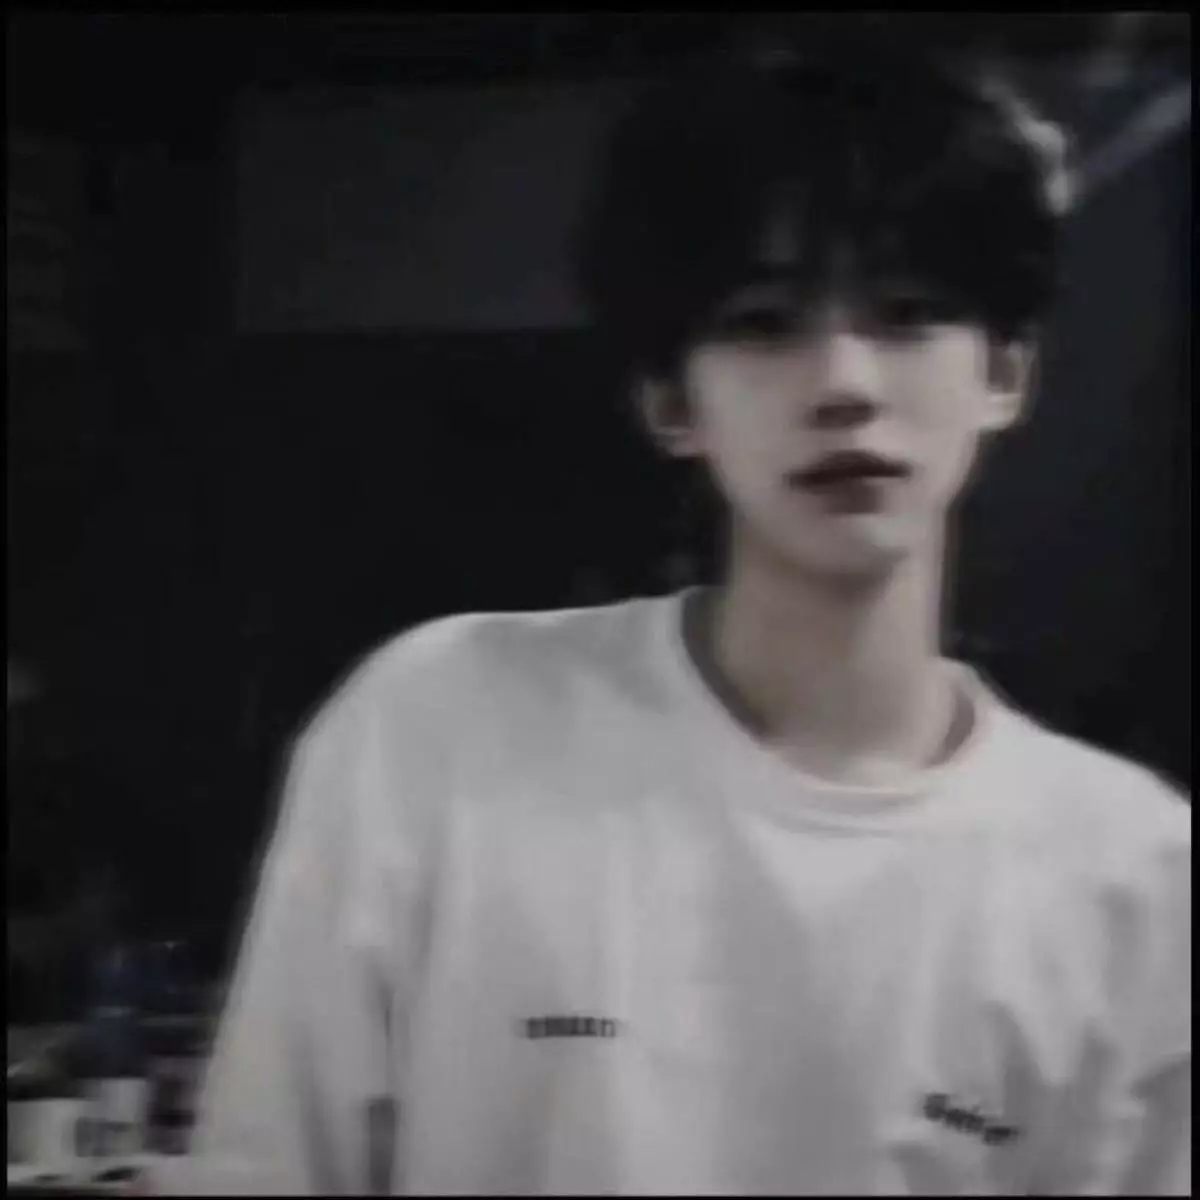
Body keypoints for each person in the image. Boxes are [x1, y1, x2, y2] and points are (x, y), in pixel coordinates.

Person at [170, 33, 1190, 1196]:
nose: (845, 383)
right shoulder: (440, 727)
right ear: (670, 400)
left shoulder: (1132, 875)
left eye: (908, 314)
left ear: (1005, 373)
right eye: (766, 323)